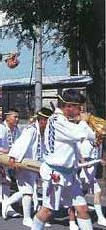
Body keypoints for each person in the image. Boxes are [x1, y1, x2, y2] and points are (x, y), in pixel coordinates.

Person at [32, 89, 96, 230]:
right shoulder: (57, 121)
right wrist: (85, 123)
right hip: (56, 175)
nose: (81, 111)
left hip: (69, 174)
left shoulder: (64, 121)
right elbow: (79, 133)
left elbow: (83, 136)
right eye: (79, 107)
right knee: (47, 211)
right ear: (68, 106)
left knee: (82, 208)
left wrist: (95, 136)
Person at [6, 107, 53, 227]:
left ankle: (38, 217)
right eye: (48, 120)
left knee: (31, 191)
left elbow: (43, 149)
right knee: (28, 192)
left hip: (34, 164)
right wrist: (13, 158)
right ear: (42, 120)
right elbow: (20, 143)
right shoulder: (31, 129)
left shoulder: (44, 131)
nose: (49, 123)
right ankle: (26, 218)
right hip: (24, 162)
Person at [78, 122, 106, 227]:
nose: (102, 137)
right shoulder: (87, 142)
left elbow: (97, 157)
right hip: (85, 173)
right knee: (97, 191)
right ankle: (100, 218)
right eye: (100, 134)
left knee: (80, 194)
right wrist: (86, 166)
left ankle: (73, 210)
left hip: (91, 172)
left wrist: (101, 161)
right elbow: (83, 158)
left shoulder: (99, 143)